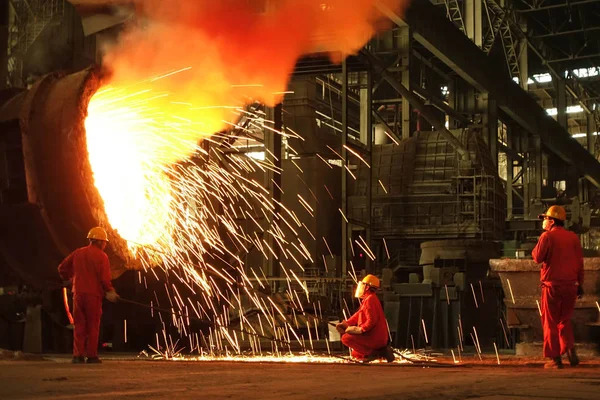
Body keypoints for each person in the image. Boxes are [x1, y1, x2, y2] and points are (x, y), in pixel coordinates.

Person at [532, 205, 584, 369]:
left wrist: (540, 241)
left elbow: (537, 258)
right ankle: (570, 350)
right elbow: (580, 263)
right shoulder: (573, 238)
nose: (544, 222)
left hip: (552, 287)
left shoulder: (547, 236)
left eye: (545, 219)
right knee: (565, 320)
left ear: (552, 221)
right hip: (571, 286)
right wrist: (580, 284)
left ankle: (555, 359)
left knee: (550, 322)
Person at [58, 227, 119, 364]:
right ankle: (91, 356)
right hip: (93, 296)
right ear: (101, 242)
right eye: (104, 243)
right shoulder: (102, 256)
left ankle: (77, 356)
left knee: (79, 325)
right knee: (93, 326)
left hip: (78, 294)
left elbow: (61, 268)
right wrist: (110, 290)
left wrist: (70, 278)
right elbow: (104, 279)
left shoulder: (78, 253)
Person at [336, 274, 395, 363]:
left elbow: (371, 321)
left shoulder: (370, 300)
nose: (360, 287)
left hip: (375, 338)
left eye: (363, 285)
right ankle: (377, 352)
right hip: (376, 337)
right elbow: (358, 315)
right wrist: (346, 324)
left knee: (345, 338)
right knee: (356, 354)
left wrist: (360, 329)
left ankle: (375, 353)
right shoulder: (369, 299)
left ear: (367, 287)